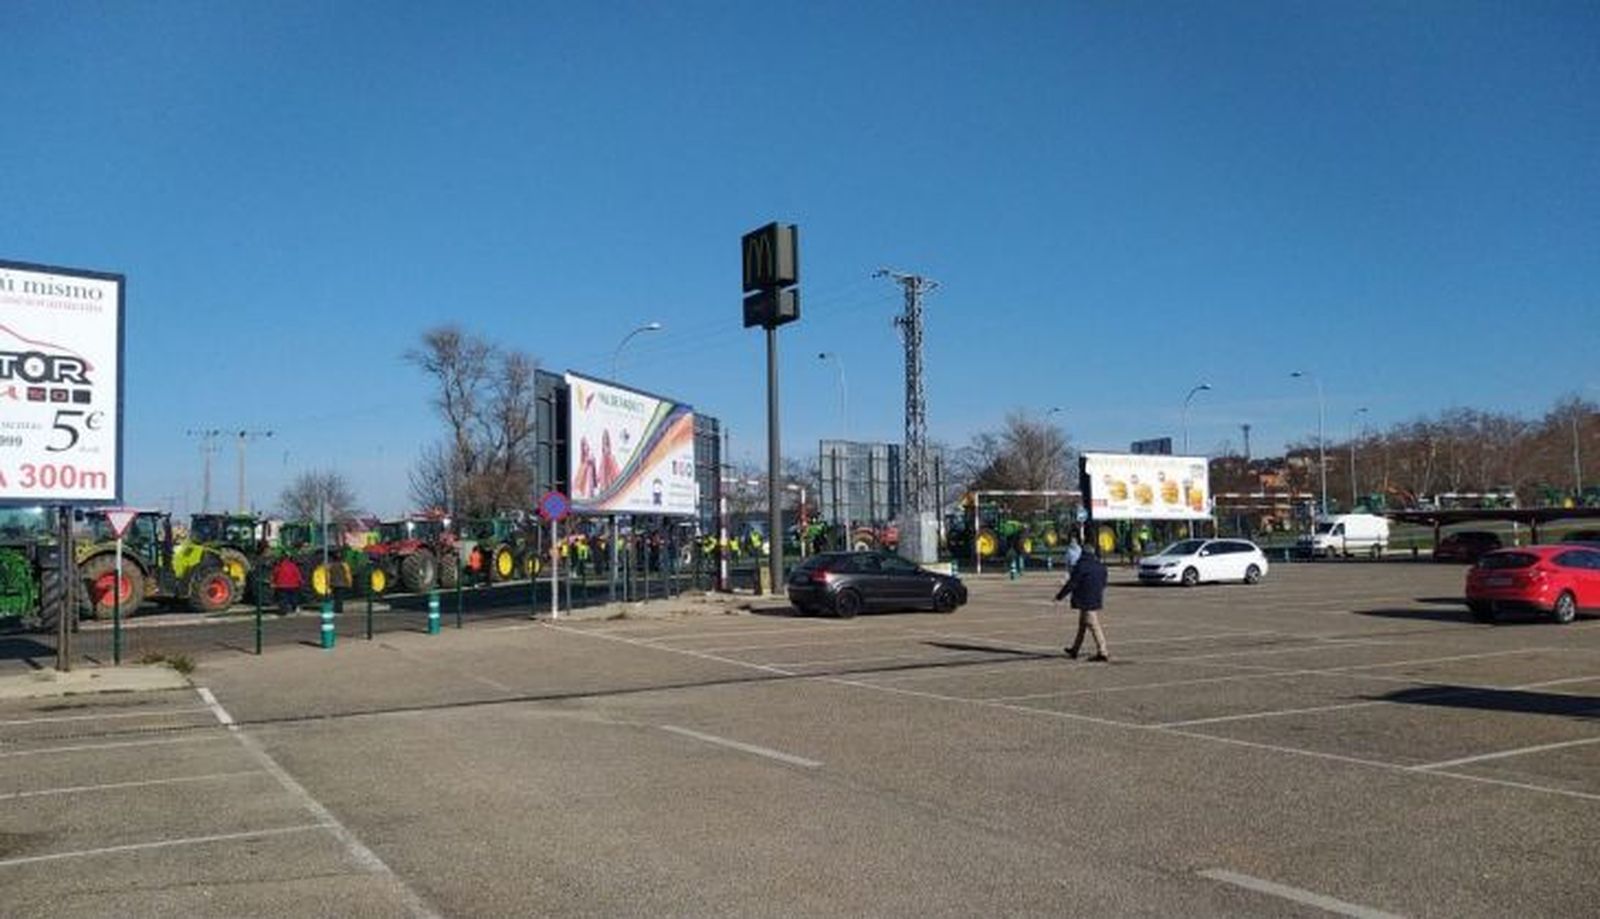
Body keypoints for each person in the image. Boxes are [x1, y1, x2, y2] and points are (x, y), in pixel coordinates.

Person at [1054, 546, 1110, 662]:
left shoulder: (1081, 566)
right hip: (1095, 597)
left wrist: (1059, 596)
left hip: (1085, 599)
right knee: (1082, 625)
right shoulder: (1100, 566)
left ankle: (1102, 651)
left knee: (1094, 625)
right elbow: (1104, 582)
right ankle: (1075, 649)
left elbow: (1072, 584)